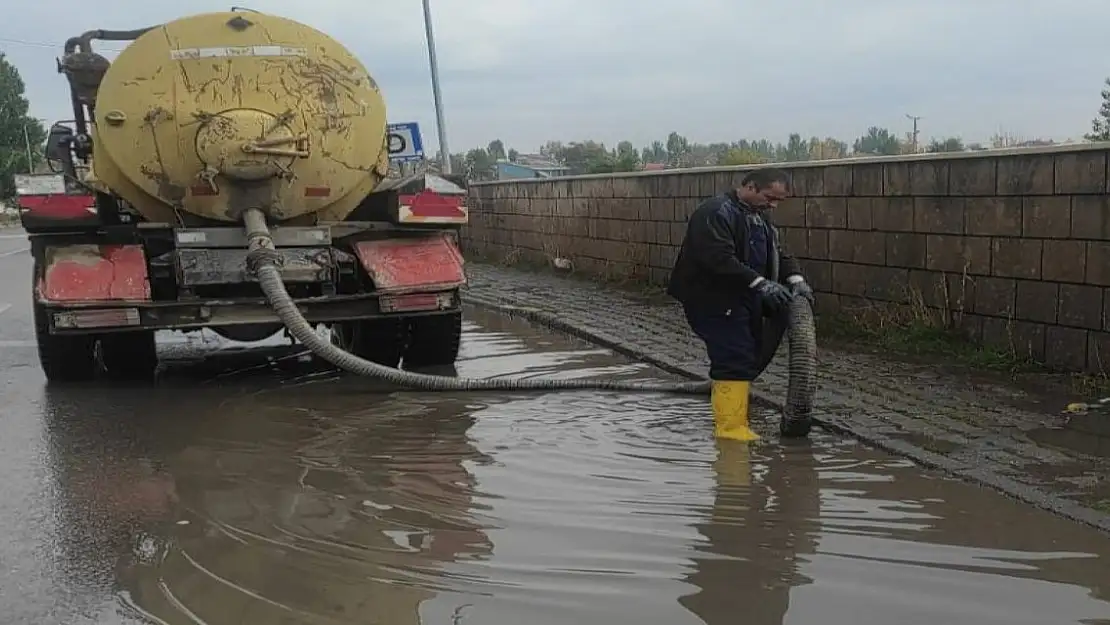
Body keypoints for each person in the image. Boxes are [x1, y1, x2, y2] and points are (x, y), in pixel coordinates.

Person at [666, 168, 814, 442]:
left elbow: (778, 252)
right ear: (750, 186)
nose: (773, 205)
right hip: (713, 300)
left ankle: (736, 415)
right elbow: (718, 259)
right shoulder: (714, 213)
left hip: (744, 299)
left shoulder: (759, 217)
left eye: (778, 201)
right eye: (770, 197)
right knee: (733, 358)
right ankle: (730, 430)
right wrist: (761, 284)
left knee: (745, 356)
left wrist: (794, 278)